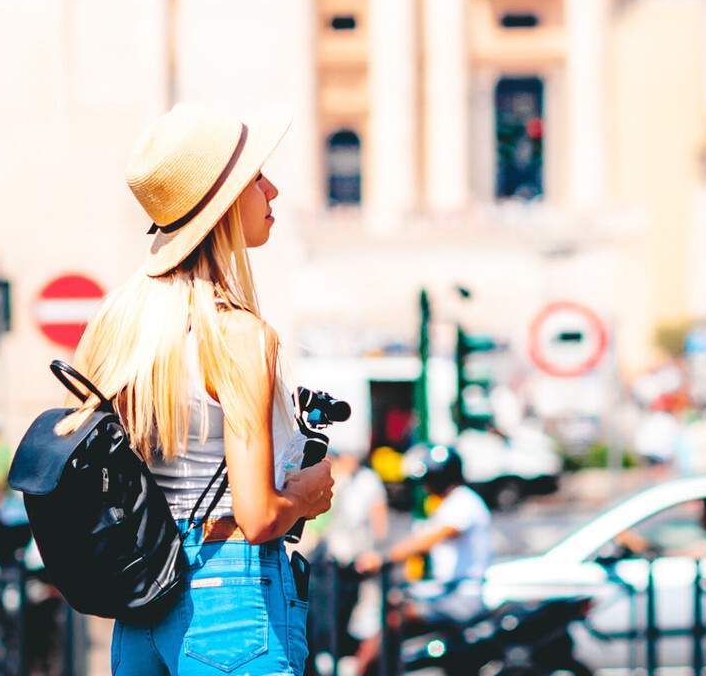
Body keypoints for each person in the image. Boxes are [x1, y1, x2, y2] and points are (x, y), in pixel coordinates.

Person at [68, 103, 335, 676]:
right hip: (231, 598)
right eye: (257, 177)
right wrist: (308, 495)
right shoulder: (237, 333)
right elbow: (258, 514)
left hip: (142, 604)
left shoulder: (119, 326)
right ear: (226, 204)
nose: (274, 190)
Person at [352, 446, 493, 671]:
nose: (425, 486)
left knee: (394, 615)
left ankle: (363, 671)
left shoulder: (463, 503)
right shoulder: (451, 503)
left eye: (428, 479)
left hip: (462, 595)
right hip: (448, 590)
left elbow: (427, 540)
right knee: (398, 602)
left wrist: (384, 558)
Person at [316, 446, 390, 657]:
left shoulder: (368, 481)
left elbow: (379, 522)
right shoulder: (334, 478)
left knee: (366, 617)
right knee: (330, 614)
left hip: (362, 561)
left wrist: (377, 553)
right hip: (332, 561)